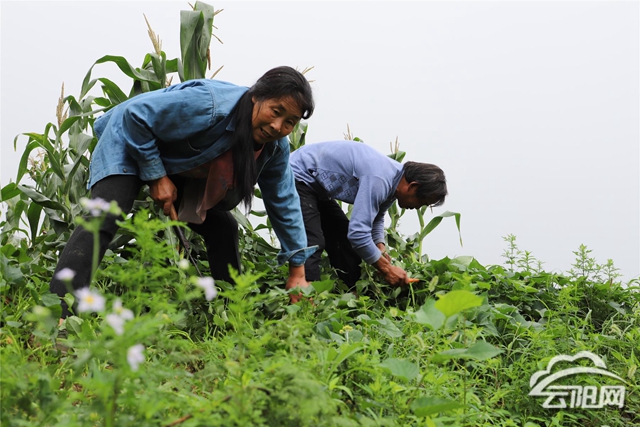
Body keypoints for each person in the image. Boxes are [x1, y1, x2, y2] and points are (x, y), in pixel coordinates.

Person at [50, 66, 317, 317]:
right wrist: (157, 177)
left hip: (176, 163)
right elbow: (136, 115)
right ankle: (59, 312)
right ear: (256, 97)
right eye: (275, 111)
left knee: (223, 228)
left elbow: (284, 200)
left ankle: (232, 314)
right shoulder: (211, 104)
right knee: (107, 212)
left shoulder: (275, 148)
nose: (277, 126)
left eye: (289, 122)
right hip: (130, 139)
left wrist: (298, 271)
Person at [289, 140, 447, 289]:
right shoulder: (380, 179)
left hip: (316, 187)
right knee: (312, 240)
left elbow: (377, 217)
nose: (418, 207)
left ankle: (351, 293)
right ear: (413, 186)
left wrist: (380, 246)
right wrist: (386, 269)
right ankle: (304, 295)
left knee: (342, 237)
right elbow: (357, 234)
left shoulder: (394, 182)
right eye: (422, 201)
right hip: (297, 174)